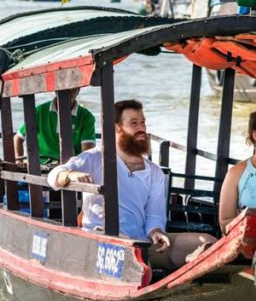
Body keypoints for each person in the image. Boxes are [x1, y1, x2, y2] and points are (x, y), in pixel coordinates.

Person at [47, 100, 213, 270]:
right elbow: (53, 176)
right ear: (116, 128)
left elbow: (154, 215)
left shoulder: (155, 172)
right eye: (134, 123)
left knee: (208, 242)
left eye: (143, 122)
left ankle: (195, 268)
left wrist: (156, 232)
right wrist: (70, 175)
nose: (142, 128)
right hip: (102, 243)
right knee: (140, 265)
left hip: (141, 242)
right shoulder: (96, 158)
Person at [13, 87, 96, 165]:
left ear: (78, 90)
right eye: (64, 89)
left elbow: (87, 153)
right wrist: (19, 161)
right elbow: (18, 138)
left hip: (71, 166)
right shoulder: (40, 111)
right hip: (42, 165)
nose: (69, 92)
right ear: (55, 90)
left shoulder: (86, 117)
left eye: (73, 89)